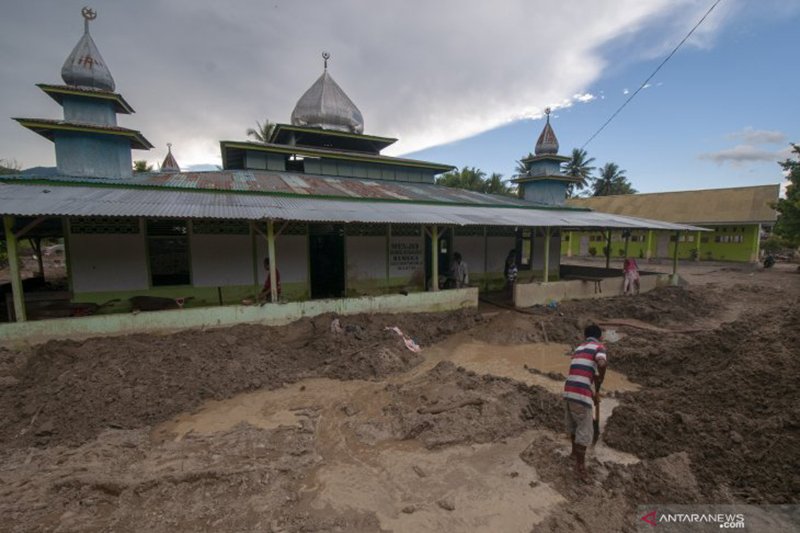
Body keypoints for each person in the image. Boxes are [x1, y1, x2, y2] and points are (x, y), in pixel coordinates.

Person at [563, 324, 607, 481]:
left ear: (584, 336)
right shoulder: (599, 347)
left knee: (575, 425)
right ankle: (580, 468)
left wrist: (594, 391)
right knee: (584, 431)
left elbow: (584, 370)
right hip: (581, 394)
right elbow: (601, 364)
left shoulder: (579, 348)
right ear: (600, 336)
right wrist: (600, 380)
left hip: (568, 391)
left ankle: (573, 454)